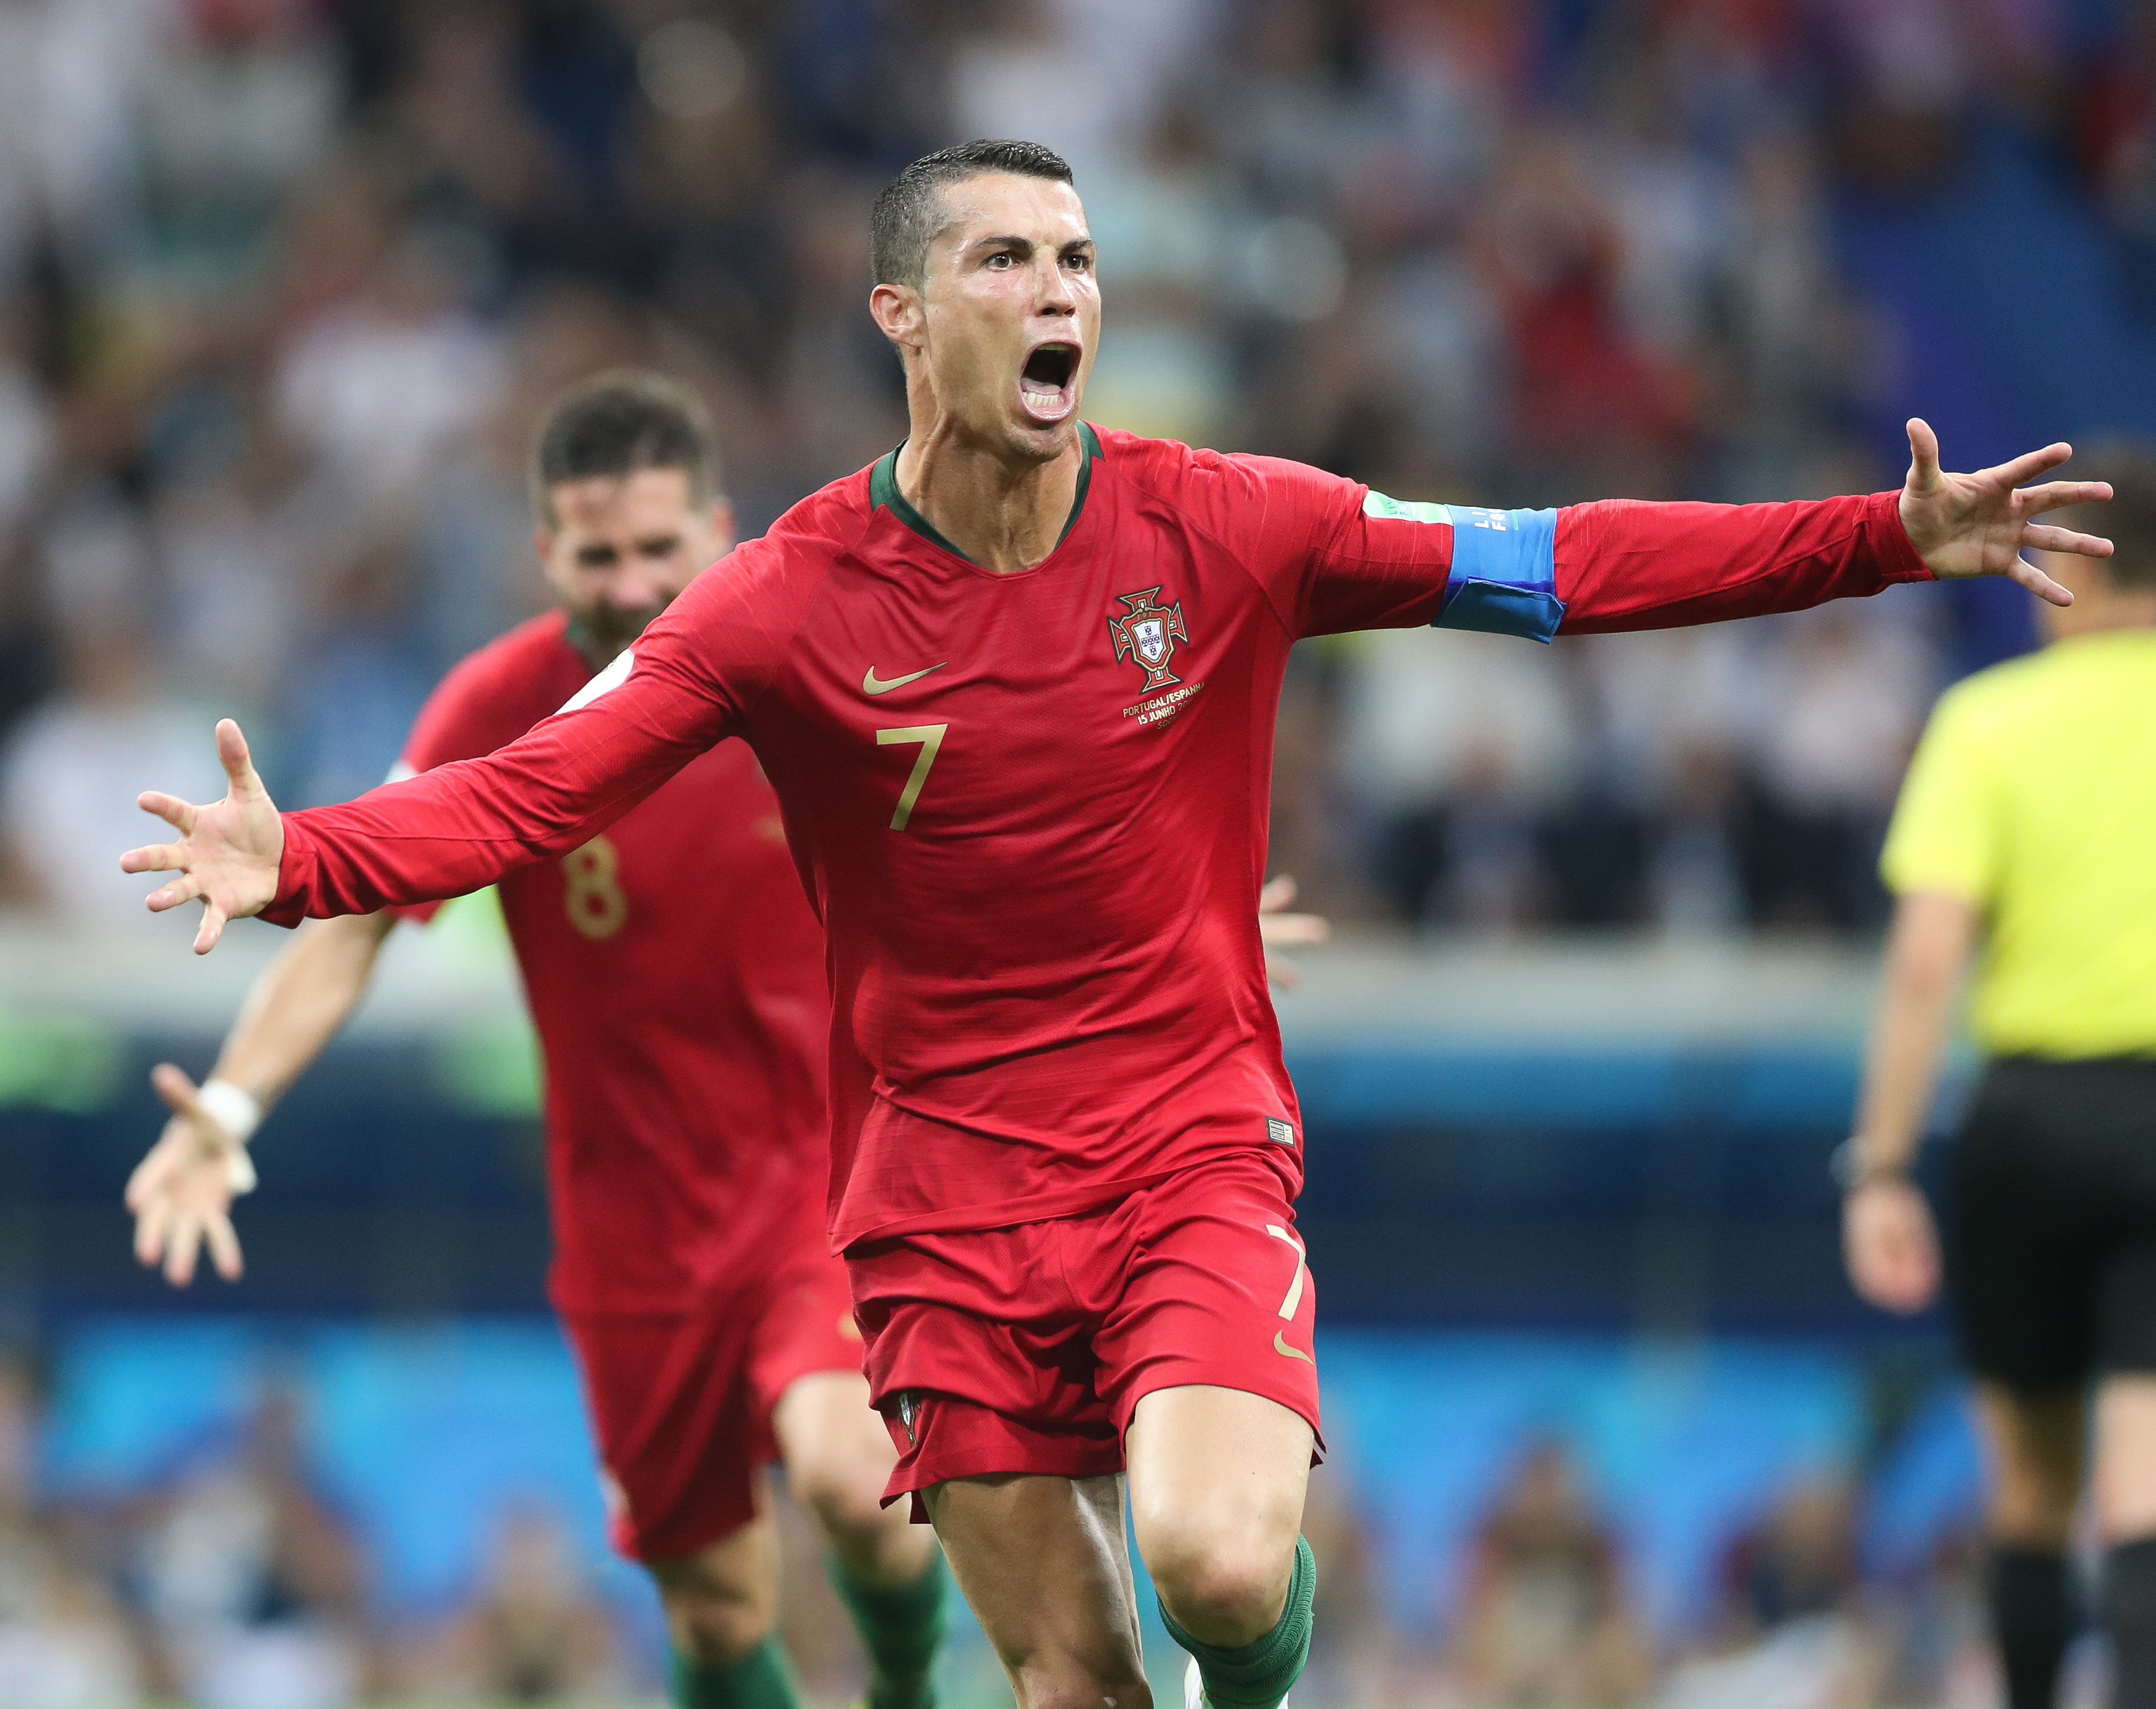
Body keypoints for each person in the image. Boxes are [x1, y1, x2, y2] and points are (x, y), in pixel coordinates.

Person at [119, 139, 2111, 1709]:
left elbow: (1551, 563)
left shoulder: (1229, 525)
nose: (1057, 288)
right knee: (1063, 1679)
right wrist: (296, 857)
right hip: (931, 1195)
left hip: (1183, 1143)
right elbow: (531, 792)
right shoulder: (784, 600)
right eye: (1005, 260)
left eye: (1075, 258)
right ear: (906, 314)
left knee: (1220, 1569)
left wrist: (1874, 539)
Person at [122, 371, 951, 1709]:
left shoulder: (814, 671)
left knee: (860, 1485)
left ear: (723, 531)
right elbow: (357, 926)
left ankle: (914, 1691)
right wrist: (227, 1110)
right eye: (599, 552)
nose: (631, 583)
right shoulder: (502, 706)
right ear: (546, 551)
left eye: (659, 549)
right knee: (722, 1607)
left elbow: (991, 816)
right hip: (630, 1222)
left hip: (830, 1180)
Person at [1842, 453, 2156, 1709]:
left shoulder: (1989, 722)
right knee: (2144, 1491)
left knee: (2031, 1489)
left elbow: (1927, 963)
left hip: (2027, 1125)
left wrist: (1878, 1168)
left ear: (2071, 563)